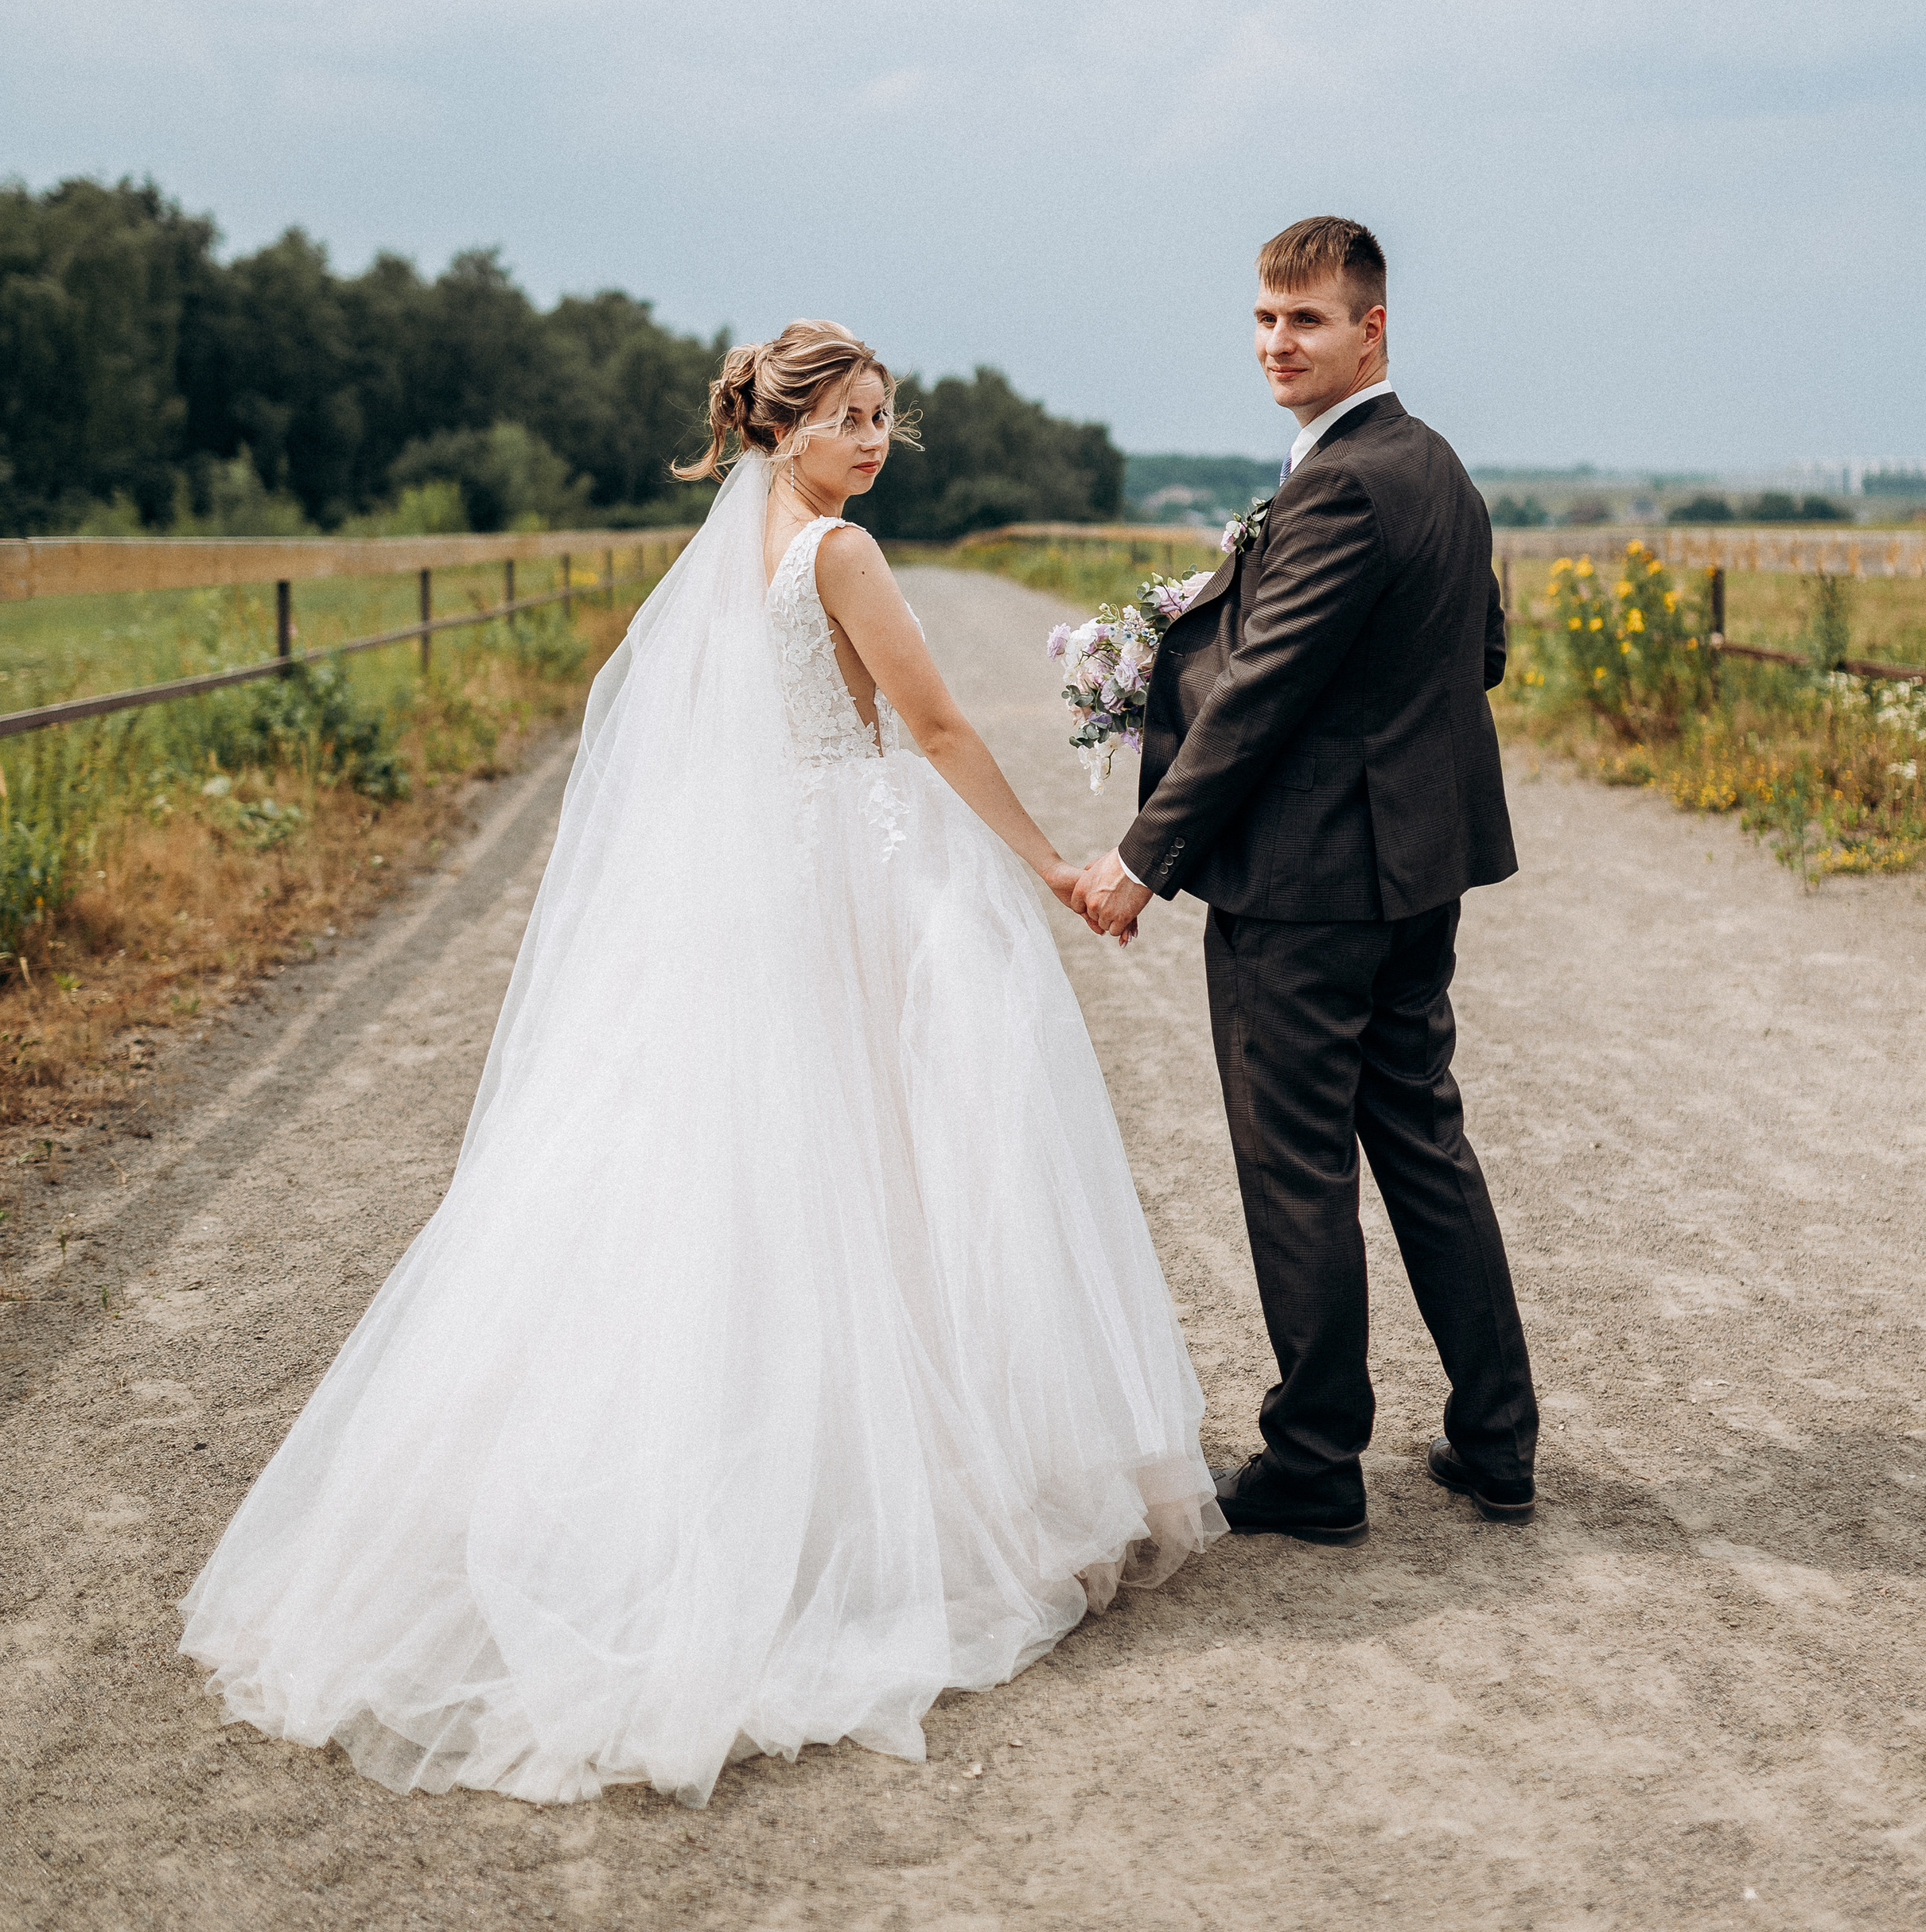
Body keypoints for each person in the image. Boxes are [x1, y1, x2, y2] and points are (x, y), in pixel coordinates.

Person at [181, 321, 1220, 1806]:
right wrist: (1052, 861)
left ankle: (764, 1457)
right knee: (887, 1149)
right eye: (850, 419)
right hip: (855, 867)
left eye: (885, 418)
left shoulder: (731, 557)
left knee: (762, 1162)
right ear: (781, 429)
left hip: (759, 879)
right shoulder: (842, 557)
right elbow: (925, 724)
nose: (873, 442)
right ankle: (884, 1479)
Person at [1075, 219, 1537, 1540]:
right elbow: (1479, 651)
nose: (1281, 345)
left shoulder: (1339, 482)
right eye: (1267, 322)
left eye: (1310, 322)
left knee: (1296, 1166)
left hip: (1308, 887)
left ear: (1371, 330)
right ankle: (1498, 1440)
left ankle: (1317, 1460)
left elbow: (1265, 687)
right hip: (1415, 875)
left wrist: (1141, 860)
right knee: (1421, 1139)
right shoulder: (1436, 467)